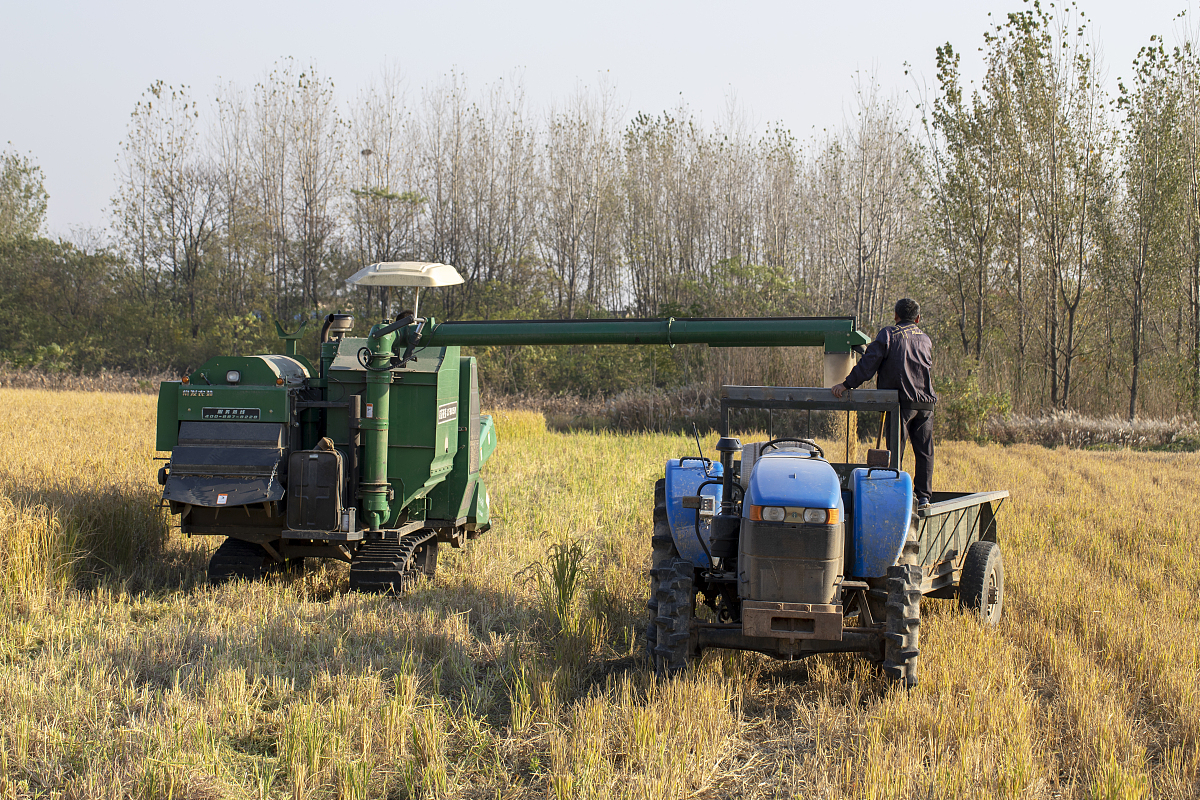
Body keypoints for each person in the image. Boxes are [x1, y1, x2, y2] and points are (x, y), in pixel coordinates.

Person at [831, 298, 937, 509]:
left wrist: (847, 384)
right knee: (925, 452)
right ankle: (923, 497)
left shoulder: (889, 334)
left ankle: (897, 495)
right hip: (925, 404)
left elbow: (868, 364)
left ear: (896, 316)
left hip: (900, 403)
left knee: (895, 452)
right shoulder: (925, 339)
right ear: (917, 318)